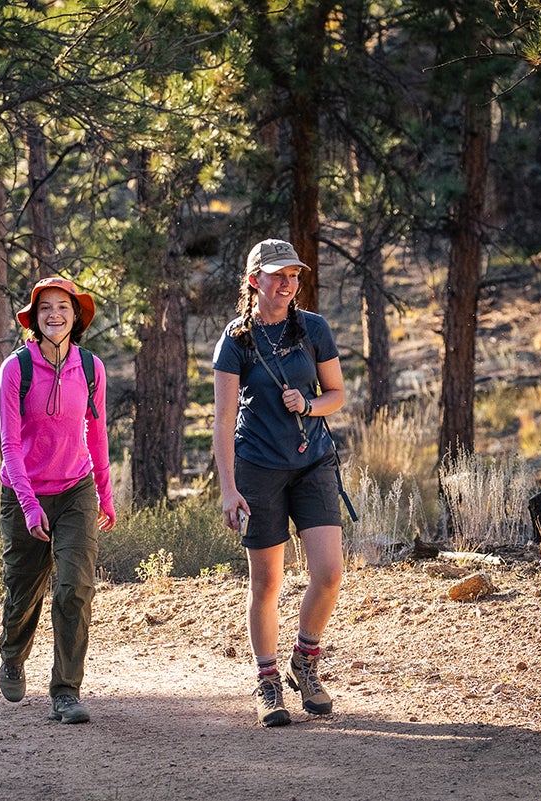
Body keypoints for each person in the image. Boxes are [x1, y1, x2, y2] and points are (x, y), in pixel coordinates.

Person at [211, 239, 347, 727]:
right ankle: (268, 681)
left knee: (329, 572)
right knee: (268, 580)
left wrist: (308, 406)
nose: (288, 284)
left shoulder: (314, 328)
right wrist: (228, 488)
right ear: (255, 281)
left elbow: (336, 395)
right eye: (277, 275)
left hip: (313, 462)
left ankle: (304, 663)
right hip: (258, 468)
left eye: (294, 275)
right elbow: (223, 421)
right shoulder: (236, 339)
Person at [0, 276, 117, 724]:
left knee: (74, 588)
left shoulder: (91, 368)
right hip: (23, 491)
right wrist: (29, 507)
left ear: (76, 315)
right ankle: (12, 654)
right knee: (23, 589)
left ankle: (66, 690)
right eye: (45, 307)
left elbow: (97, 433)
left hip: (75, 491)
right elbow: (9, 445)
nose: (54, 315)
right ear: (34, 317)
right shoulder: (16, 369)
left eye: (62, 307)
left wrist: (104, 494)